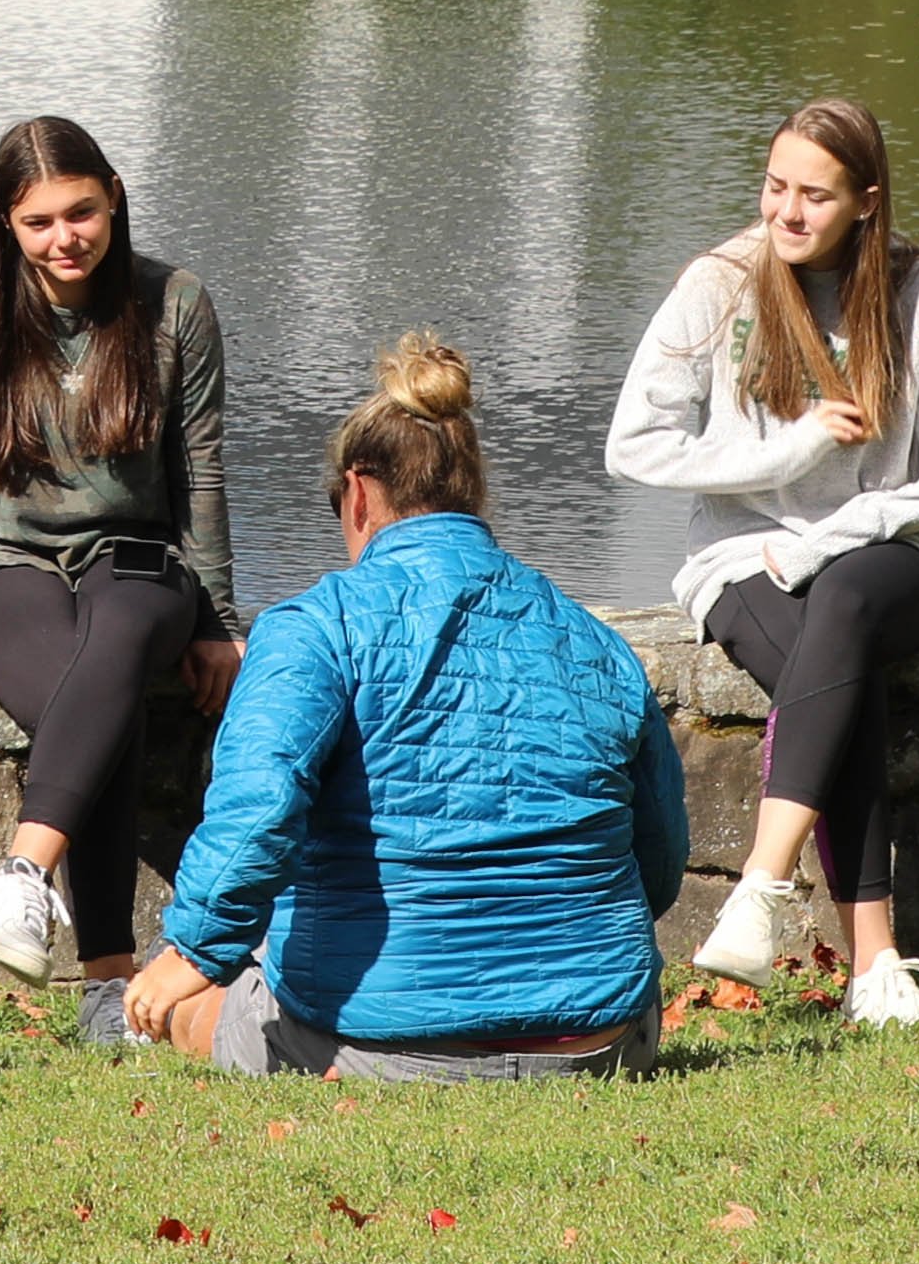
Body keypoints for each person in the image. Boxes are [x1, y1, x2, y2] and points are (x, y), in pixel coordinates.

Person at [128, 336, 685, 1083]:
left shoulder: (316, 625)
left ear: (358, 493)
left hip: (384, 1045)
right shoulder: (591, 638)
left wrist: (189, 955)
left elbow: (259, 809)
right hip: (604, 1042)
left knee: (193, 1011)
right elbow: (657, 857)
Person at [603, 94, 919, 1030]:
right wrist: (791, 454)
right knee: (837, 687)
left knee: (847, 601)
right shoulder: (720, 283)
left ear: (865, 199)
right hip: (742, 557)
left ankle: (760, 885)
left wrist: (829, 534)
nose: (786, 212)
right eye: (775, 186)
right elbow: (633, 445)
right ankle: (877, 963)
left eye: (814, 195)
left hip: (892, 550)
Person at [0, 117, 238, 1024]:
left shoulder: (174, 304)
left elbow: (201, 469)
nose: (64, 238)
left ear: (113, 194)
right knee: (95, 700)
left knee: (113, 638)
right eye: (38, 222)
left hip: (138, 559)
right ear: (6, 223)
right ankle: (108, 986)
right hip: (0, 563)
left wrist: (218, 622)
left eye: (80, 213)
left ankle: (25, 874)